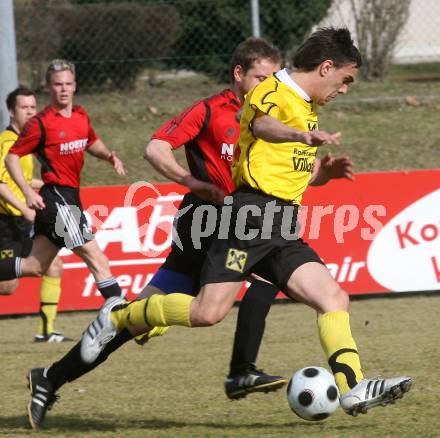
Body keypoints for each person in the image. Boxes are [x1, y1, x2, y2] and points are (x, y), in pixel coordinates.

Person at [25, 38, 354, 430]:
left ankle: (241, 370)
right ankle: (53, 377)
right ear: (238, 74)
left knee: (268, 282)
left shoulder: (284, 108)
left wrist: (321, 175)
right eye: (260, 77)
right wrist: (190, 181)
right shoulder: (210, 111)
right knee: (139, 325)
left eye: (272, 76)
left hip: (248, 225)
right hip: (204, 227)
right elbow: (155, 148)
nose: (269, 82)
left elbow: (291, 171)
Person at [82, 27, 413, 416]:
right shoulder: (272, 90)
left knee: (333, 297)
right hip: (250, 217)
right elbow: (260, 125)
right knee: (208, 313)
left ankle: (353, 387)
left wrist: (319, 173)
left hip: (283, 223)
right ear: (326, 67)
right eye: (345, 79)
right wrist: (299, 135)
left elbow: (278, 165)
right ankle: (120, 314)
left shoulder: (306, 103)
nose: (345, 89)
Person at [0, 61, 126, 329]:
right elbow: (12, 158)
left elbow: (91, 141)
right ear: (48, 88)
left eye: (68, 84)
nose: (63, 89)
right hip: (58, 200)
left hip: (69, 197)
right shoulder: (41, 124)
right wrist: (26, 193)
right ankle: (126, 321)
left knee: (35, 266)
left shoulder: (80, 116)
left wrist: (109, 156)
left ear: (75, 86)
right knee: (96, 257)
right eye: (57, 84)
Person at [0, 87, 69, 342]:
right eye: (23, 107)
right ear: (11, 111)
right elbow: (1, 184)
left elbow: (21, 180)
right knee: (8, 286)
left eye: (32, 107)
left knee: (53, 265)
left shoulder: (25, 143)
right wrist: (26, 212)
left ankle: (46, 332)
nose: (30, 111)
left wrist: (48, 184)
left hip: (19, 220)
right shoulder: (7, 143)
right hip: (5, 223)